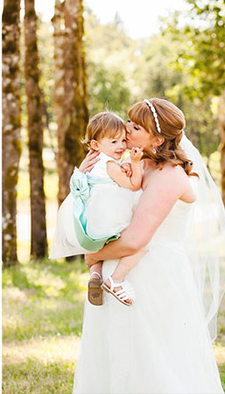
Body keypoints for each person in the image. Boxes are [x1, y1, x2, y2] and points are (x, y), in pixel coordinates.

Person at [73, 98, 225, 394]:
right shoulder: (137, 162)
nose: (126, 129)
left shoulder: (170, 176)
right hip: (118, 271)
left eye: (135, 126)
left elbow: (137, 239)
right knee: (114, 357)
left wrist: (93, 255)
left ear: (157, 139)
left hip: (153, 276)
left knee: (152, 360)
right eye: (129, 122)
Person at [50, 112, 144, 307]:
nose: (121, 146)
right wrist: (135, 164)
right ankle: (117, 280)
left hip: (92, 218)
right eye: (114, 142)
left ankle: (95, 275)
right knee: (138, 245)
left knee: (95, 249)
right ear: (95, 145)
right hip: (112, 216)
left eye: (122, 141)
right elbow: (134, 185)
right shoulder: (110, 165)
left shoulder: (94, 164)